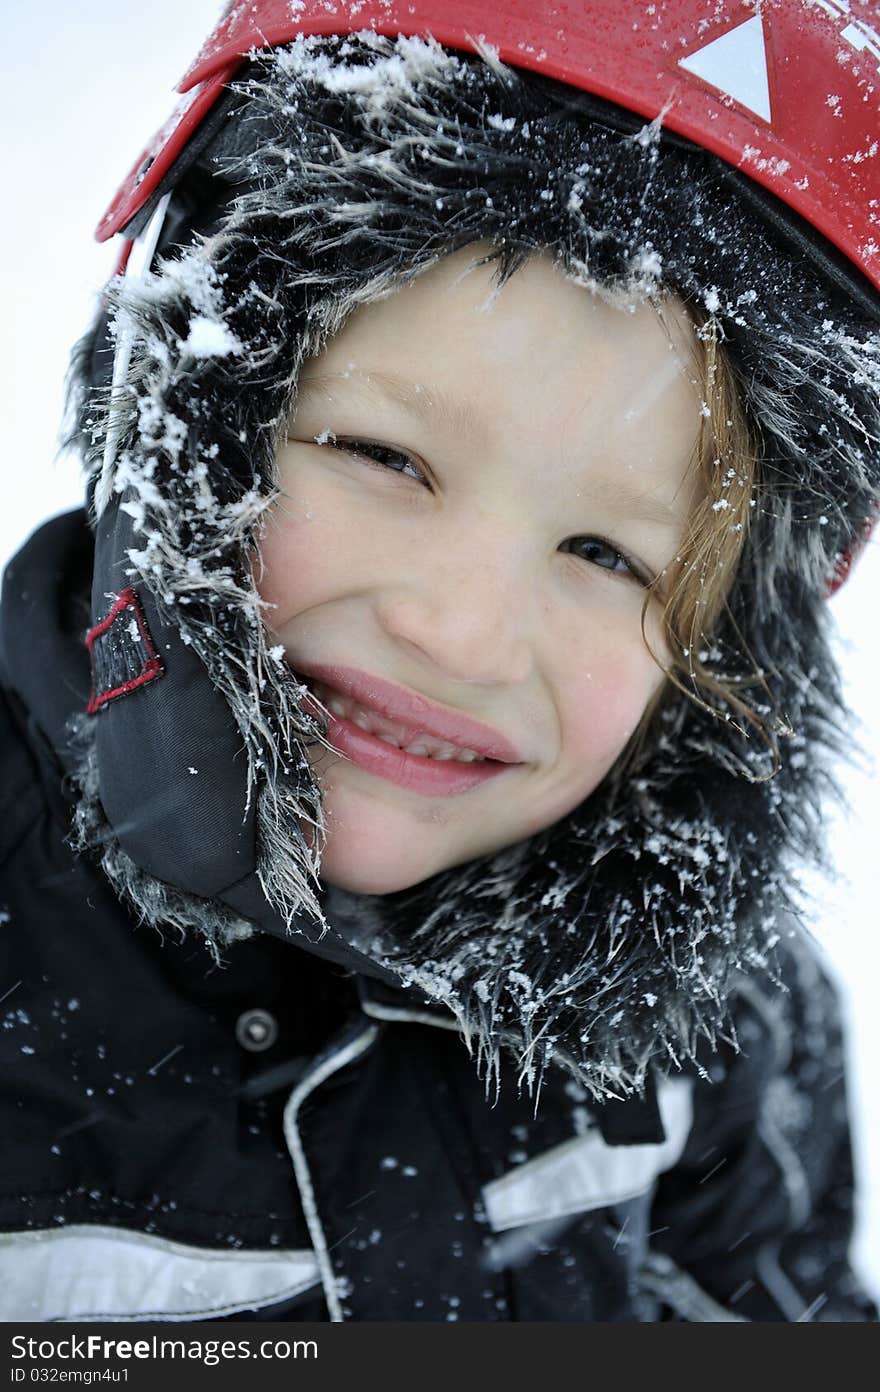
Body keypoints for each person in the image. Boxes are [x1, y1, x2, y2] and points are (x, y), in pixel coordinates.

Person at [1, 0, 878, 1322]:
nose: (460, 633)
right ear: (191, 419)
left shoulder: (720, 1029)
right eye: (385, 459)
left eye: (609, 556)